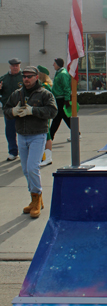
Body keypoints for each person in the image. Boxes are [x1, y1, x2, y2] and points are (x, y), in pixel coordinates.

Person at [4, 66, 57, 218]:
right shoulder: (17, 94)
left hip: (37, 135)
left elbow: (52, 111)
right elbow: (6, 110)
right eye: (24, 76)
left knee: (33, 167)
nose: (26, 79)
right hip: (21, 135)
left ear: (36, 77)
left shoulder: (44, 94)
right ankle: (34, 199)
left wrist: (33, 111)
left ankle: (37, 195)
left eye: (29, 76)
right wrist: (13, 111)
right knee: (26, 170)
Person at [0, 58, 23, 161]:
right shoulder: (3, 79)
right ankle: (13, 151)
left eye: (17, 65)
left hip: (22, 109)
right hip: (9, 109)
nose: (15, 67)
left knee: (24, 130)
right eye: (13, 66)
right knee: (10, 131)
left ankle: (24, 152)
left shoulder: (24, 77)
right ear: (10, 66)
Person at [49, 58, 72, 140]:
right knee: (65, 118)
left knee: (57, 118)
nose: (53, 65)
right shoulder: (58, 73)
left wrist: (67, 99)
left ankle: (50, 137)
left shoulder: (63, 74)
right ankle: (76, 133)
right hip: (58, 98)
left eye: (54, 63)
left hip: (61, 99)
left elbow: (66, 87)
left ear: (58, 64)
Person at [37, 66, 54, 167]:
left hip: (45, 113)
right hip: (42, 113)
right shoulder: (43, 85)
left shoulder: (45, 86)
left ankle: (48, 158)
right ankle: (44, 156)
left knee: (47, 135)